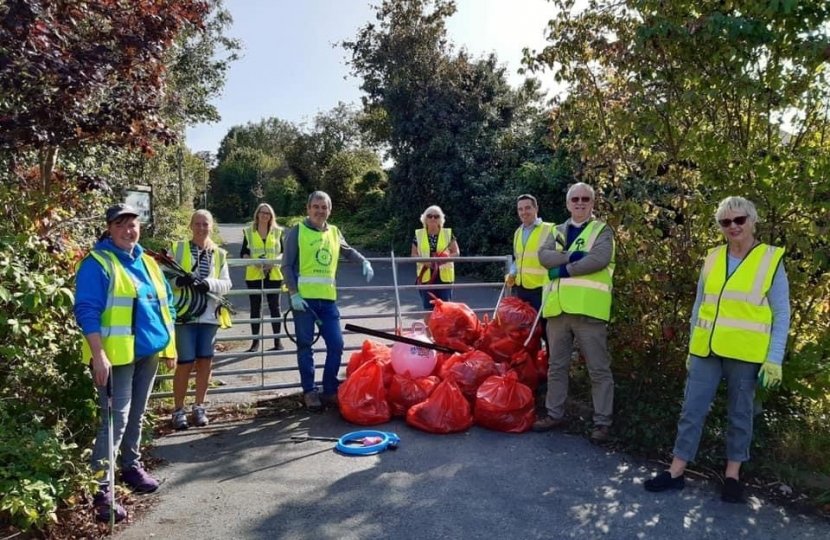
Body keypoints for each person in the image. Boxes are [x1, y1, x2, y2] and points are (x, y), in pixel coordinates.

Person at [644, 196, 790, 503]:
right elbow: (700, 305)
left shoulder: (770, 259)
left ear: (752, 220)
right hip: (705, 350)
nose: (733, 227)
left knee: (740, 414)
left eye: (739, 220)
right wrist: (691, 348)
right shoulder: (712, 257)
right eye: (726, 222)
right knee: (691, 410)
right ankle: (676, 471)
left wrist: (774, 359)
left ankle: (732, 476)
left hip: (746, 353)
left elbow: (781, 313)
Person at [73, 203, 177, 523]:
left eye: (132, 224)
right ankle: (101, 489)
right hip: (116, 357)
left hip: (149, 351)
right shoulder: (98, 263)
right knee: (114, 421)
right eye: (120, 224)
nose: (128, 230)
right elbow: (86, 311)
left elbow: (166, 306)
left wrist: (170, 347)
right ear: (109, 229)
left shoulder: (147, 262)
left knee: (137, 413)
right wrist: (99, 354)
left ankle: (129, 466)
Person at [533, 183, 616, 443]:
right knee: (556, 367)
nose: (580, 203)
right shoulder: (556, 230)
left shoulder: (602, 230)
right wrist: (574, 255)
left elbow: (598, 259)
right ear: (568, 204)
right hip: (557, 310)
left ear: (592, 203)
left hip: (588, 312)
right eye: (575, 199)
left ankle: (602, 423)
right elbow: (544, 257)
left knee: (598, 370)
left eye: (586, 199)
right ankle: (553, 413)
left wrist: (563, 268)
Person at [281, 191, 375, 411]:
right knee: (305, 347)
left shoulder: (334, 232)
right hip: (304, 302)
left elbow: (347, 250)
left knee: (336, 344)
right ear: (308, 208)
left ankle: (330, 389)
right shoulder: (297, 231)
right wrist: (293, 293)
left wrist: (363, 261)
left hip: (328, 302)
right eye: (316, 206)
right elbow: (286, 266)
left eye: (324, 207)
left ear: (329, 210)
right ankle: (310, 391)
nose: (319, 211)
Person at [169, 210, 232, 430]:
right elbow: (164, 279)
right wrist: (180, 281)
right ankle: (178, 409)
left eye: (205, 224)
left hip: (208, 316)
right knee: (185, 362)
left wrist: (209, 284)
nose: (201, 228)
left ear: (211, 226)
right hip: (185, 315)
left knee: (205, 362)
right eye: (197, 223)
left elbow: (226, 283)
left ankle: (199, 406)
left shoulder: (219, 254)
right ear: (190, 225)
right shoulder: (177, 249)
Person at [505, 194, 555, 356]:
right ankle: (533, 368)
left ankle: (551, 370)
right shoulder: (518, 233)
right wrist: (512, 272)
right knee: (527, 331)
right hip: (522, 289)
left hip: (543, 289)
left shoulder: (550, 229)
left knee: (547, 331)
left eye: (527, 208)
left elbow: (559, 257)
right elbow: (518, 259)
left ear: (536, 208)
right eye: (520, 209)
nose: (524, 212)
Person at [241, 203, 284, 352]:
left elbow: (283, 252)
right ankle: (255, 343)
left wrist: (274, 262)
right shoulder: (249, 232)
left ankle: (278, 342)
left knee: (275, 308)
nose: (265, 215)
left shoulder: (278, 232)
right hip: (254, 273)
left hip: (274, 273)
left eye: (268, 213)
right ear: (257, 215)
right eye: (262, 213)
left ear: (271, 216)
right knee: (255, 309)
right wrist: (254, 262)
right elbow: (243, 253)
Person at [411, 205, 460, 319]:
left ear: (440, 219)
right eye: (430, 216)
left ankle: (443, 334)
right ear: (425, 219)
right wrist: (424, 261)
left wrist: (444, 259)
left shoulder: (448, 234)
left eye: (436, 216)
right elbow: (413, 254)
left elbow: (456, 252)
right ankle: (429, 335)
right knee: (428, 309)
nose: (433, 219)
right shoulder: (418, 235)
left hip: (444, 277)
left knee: (445, 309)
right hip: (425, 277)